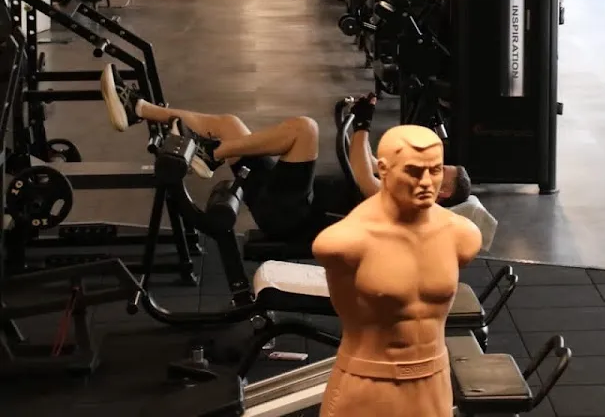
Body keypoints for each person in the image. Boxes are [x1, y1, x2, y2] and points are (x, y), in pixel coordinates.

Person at [98, 65, 472, 241]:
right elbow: (367, 159)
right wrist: (358, 118)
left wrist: (362, 122)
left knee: (304, 130)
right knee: (229, 124)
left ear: (440, 194)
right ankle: (141, 110)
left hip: (294, 217)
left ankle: (214, 154)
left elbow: (363, 176)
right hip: (288, 197)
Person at [313, 125, 481, 417]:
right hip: (369, 381)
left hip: (433, 380)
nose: (426, 182)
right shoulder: (344, 242)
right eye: (413, 172)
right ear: (384, 169)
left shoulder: (462, 235)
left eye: (435, 170)